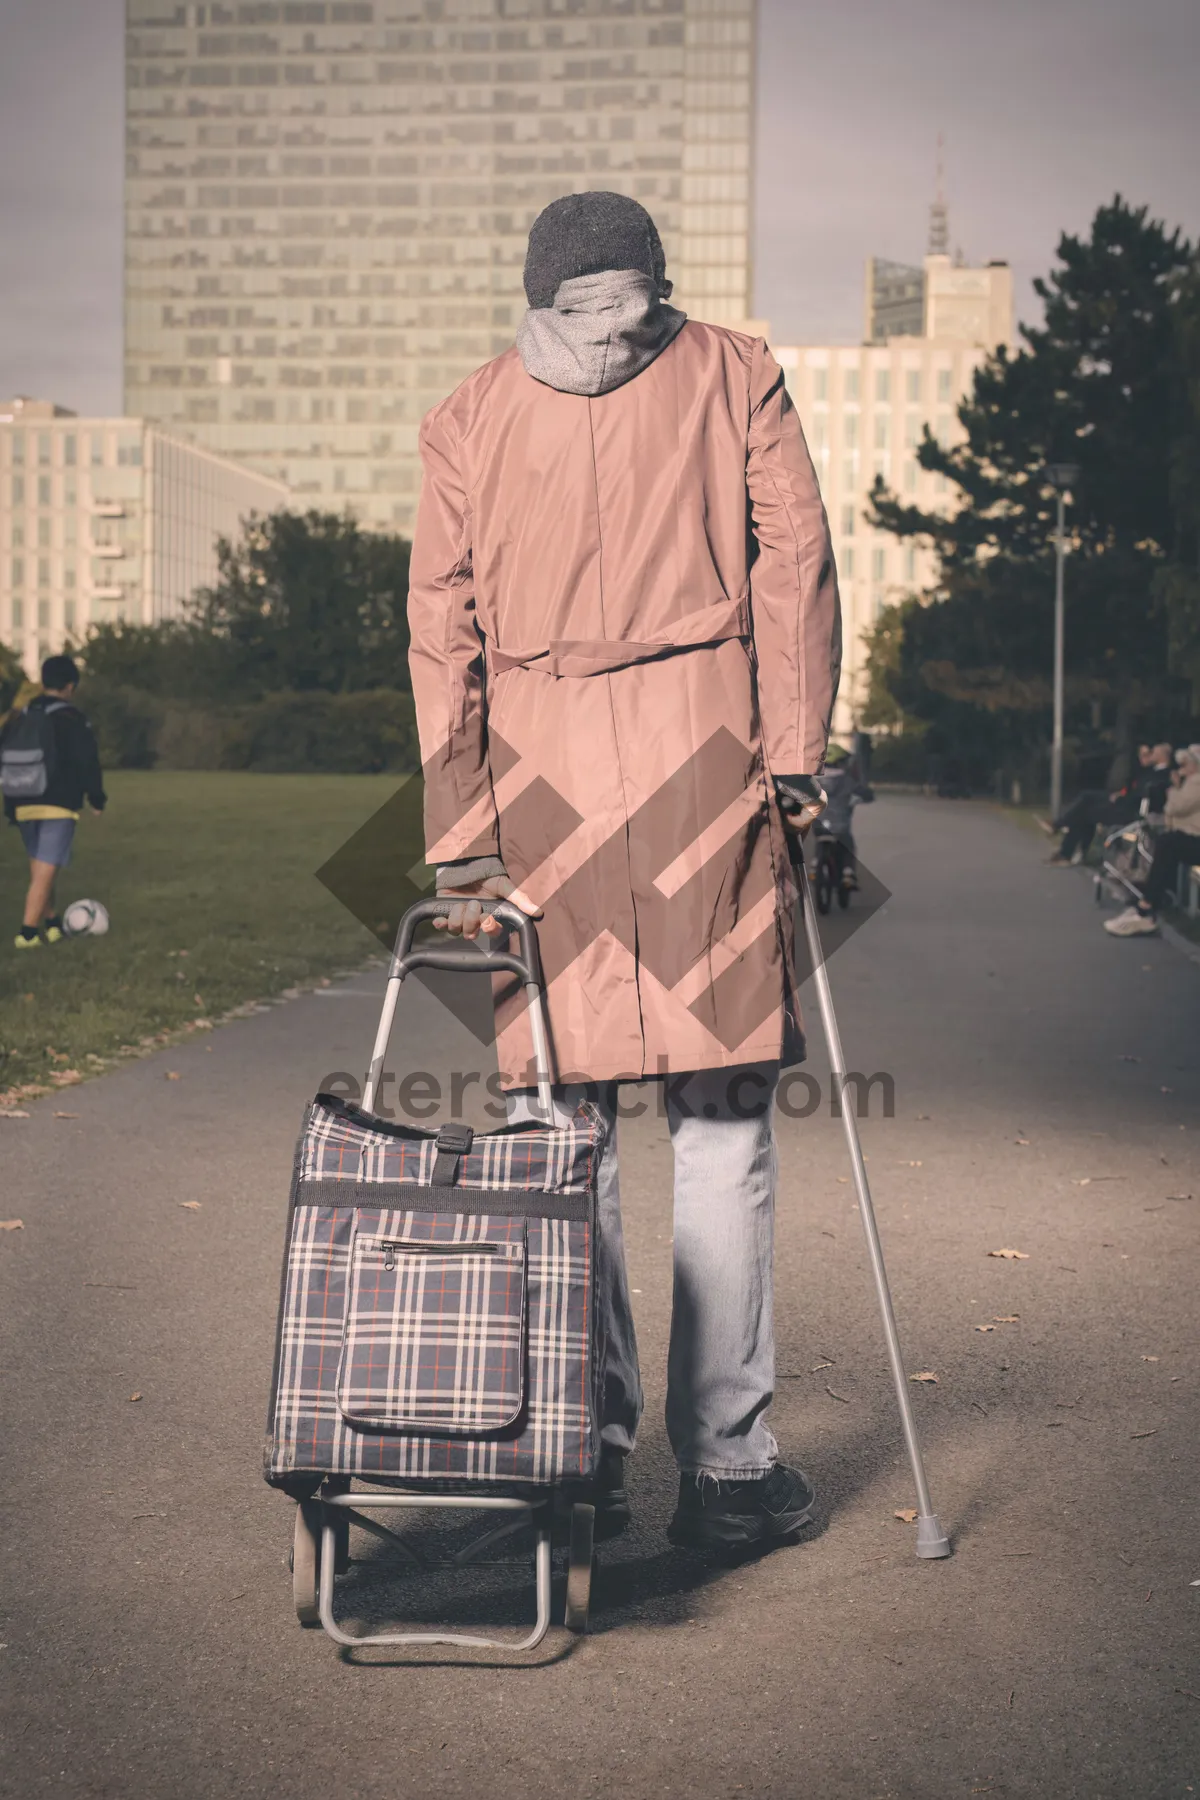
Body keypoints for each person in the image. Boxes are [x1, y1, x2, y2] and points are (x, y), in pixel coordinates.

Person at [407, 191, 840, 1554]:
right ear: (651, 276)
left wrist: (459, 826)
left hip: (539, 782)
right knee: (719, 1126)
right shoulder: (734, 370)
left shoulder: (470, 413)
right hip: (707, 754)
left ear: (540, 287)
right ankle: (725, 1468)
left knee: (562, 1128)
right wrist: (797, 755)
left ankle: (582, 1454)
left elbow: (441, 625)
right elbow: (798, 566)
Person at [1, 653, 105, 948]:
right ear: (70, 686)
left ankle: (52, 924)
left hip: (21, 800)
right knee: (45, 872)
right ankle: (28, 934)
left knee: (42, 869)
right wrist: (96, 798)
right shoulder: (72, 719)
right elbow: (88, 762)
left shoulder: (21, 715)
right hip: (57, 802)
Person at [1104, 745, 1200, 936]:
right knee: (1167, 843)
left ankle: (1146, 907)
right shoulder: (1191, 782)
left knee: (1168, 844)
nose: (1180, 769)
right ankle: (1147, 903)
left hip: (1194, 838)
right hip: (1188, 836)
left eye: (1185, 765)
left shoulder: (1196, 783)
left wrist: (1174, 788)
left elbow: (1174, 808)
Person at [1041, 742, 1173, 864]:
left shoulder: (1163, 776)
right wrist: (1122, 794)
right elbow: (1133, 784)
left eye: (1153, 753)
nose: (1151, 755)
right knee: (1087, 797)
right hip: (1125, 802)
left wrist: (1121, 798)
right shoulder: (1150, 771)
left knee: (1085, 813)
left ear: (1162, 756)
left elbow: (1142, 795)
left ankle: (1064, 845)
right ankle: (1064, 842)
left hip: (1130, 811)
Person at [812, 740, 874, 891]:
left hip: (818, 824)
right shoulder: (847, 780)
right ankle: (848, 873)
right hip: (840, 826)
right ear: (841, 762)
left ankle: (814, 866)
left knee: (819, 840)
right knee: (847, 844)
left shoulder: (812, 780)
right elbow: (865, 793)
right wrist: (867, 796)